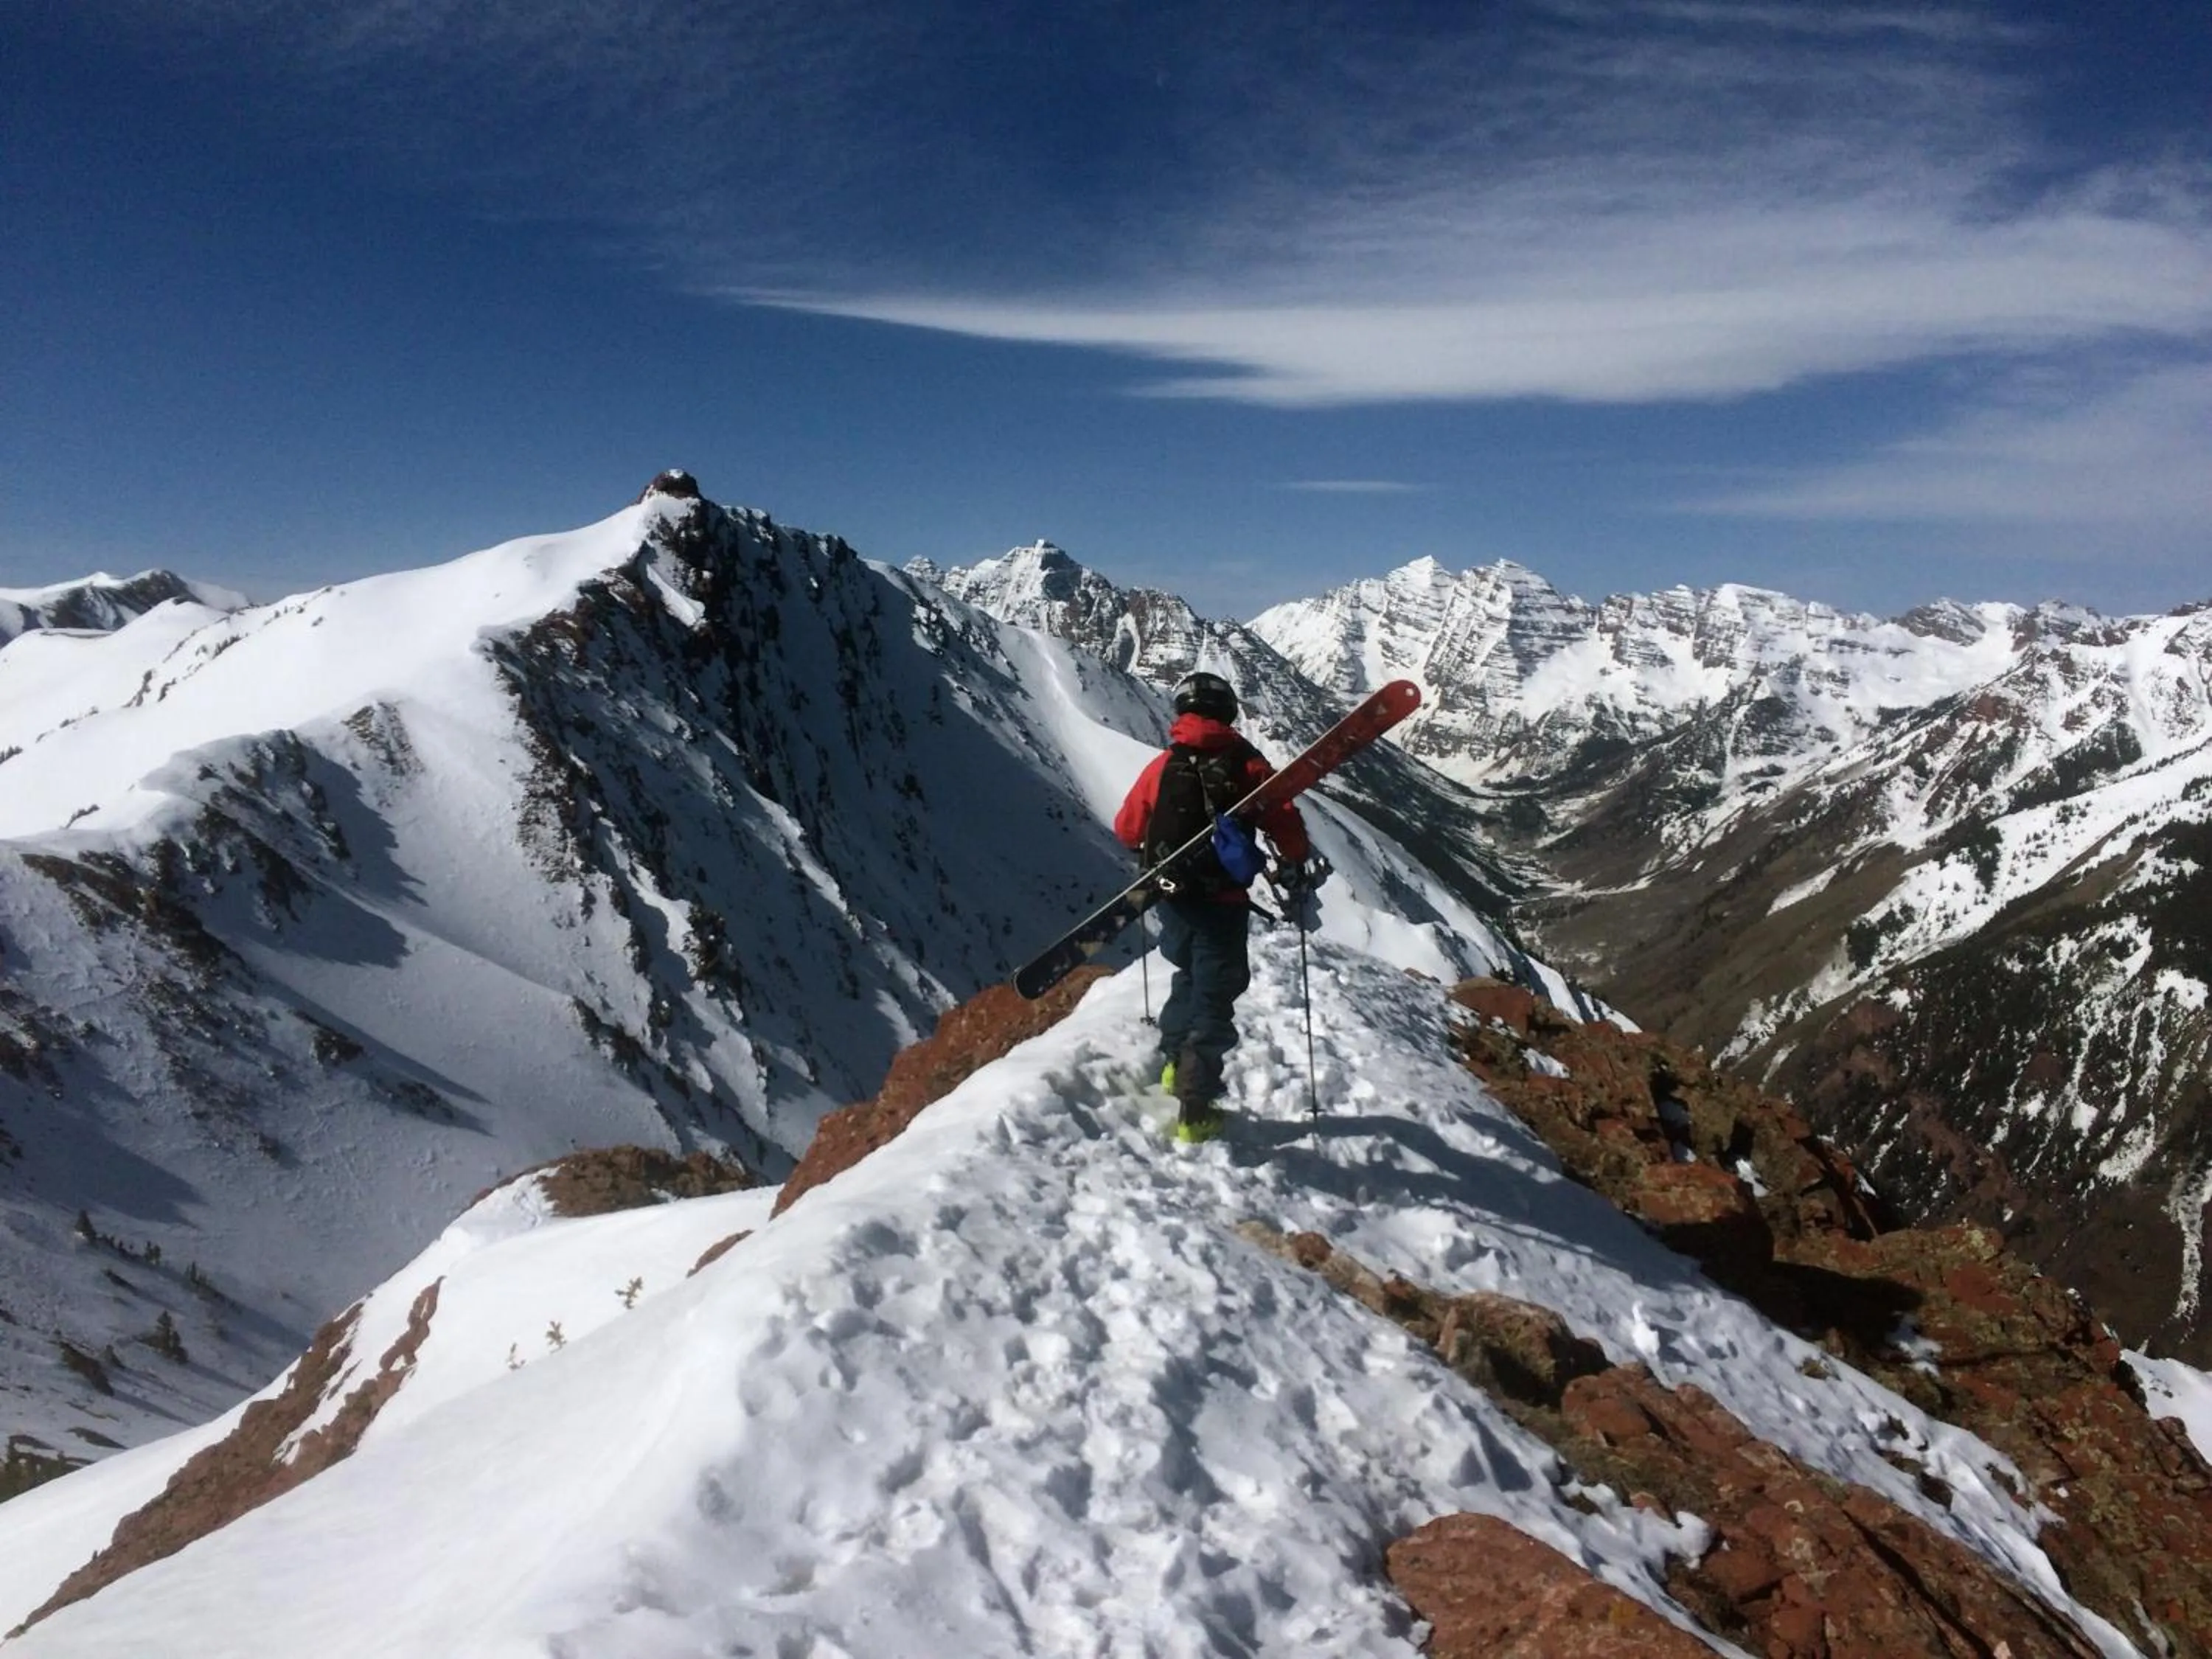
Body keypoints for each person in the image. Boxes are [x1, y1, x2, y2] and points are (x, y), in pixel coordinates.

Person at [1113, 671, 1314, 1143]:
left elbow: (1127, 829)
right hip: (1223, 902)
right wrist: (1296, 859)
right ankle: (1195, 1108)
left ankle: (1171, 1063)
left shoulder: (1165, 764)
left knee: (1186, 975)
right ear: (1229, 712)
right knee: (1214, 995)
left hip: (1173, 897)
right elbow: (1283, 820)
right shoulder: (1246, 765)